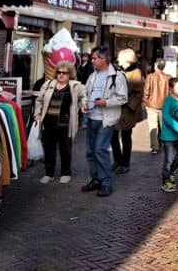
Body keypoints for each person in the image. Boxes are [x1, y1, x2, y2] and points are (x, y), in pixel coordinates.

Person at [82, 46, 128, 197]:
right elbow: (85, 92)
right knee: (90, 151)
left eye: (95, 58)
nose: (92, 61)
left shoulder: (117, 77)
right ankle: (95, 179)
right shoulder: (92, 75)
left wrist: (106, 102)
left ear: (104, 59)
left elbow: (123, 98)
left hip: (105, 120)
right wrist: (84, 104)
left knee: (100, 150)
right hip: (91, 117)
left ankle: (106, 183)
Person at [33, 60, 88, 184]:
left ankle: (65, 172)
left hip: (65, 122)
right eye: (59, 72)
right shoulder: (48, 84)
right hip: (48, 122)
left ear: (70, 74)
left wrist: (84, 105)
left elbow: (83, 97)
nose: (61, 75)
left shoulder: (75, 86)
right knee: (49, 149)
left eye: (65, 73)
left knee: (65, 149)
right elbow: (39, 100)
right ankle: (49, 173)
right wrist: (37, 114)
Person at [112, 48, 144, 175]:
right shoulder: (119, 70)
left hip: (127, 110)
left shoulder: (136, 72)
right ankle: (117, 160)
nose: (118, 59)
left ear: (127, 59)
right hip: (116, 108)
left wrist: (129, 105)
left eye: (120, 57)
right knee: (113, 136)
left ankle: (125, 163)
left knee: (125, 137)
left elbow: (139, 93)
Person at [160, 78, 178, 192]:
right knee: (169, 159)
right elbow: (166, 117)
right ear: (171, 89)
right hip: (168, 135)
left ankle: (172, 172)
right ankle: (165, 180)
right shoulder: (168, 101)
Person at [143, 58, 171, 154]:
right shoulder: (168, 77)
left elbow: (146, 91)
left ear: (156, 65)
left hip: (152, 105)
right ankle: (162, 144)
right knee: (163, 127)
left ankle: (155, 147)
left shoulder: (150, 76)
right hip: (164, 106)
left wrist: (146, 102)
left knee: (153, 126)